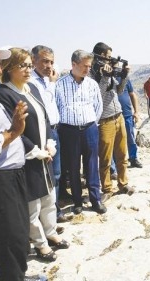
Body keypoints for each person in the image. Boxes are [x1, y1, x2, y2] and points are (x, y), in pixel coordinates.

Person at [0, 35, 46, 281]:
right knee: (5, 241)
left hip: (11, 178)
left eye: (0, 63)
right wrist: (12, 133)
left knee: (16, 237)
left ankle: (17, 276)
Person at [0, 48, 70, 263]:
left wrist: (49, 144)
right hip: (26, 158)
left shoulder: (32, 88)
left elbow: (44, 118)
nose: (28, 70)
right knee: (32, 204)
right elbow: (12, 129)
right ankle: (40, 245)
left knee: (48, 198)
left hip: (44, 153)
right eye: (23, 65)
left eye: (29, 65)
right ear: (9, 68)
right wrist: (36, 151)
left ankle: (51, 232)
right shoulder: (4, 93)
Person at [55, 49, 106, 214]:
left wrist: (90, 123)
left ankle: (95, 200)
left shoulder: (91, 84)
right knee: (73, 166)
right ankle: (77, 201)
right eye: (84, 66)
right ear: (73, 64)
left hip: (90, 129)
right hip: (69, 131)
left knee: (92, 165)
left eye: (89, 66)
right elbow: (56, 107)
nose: (87, 69)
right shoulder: (60, 84)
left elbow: (98, 106)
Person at [30, 45, 73, 224]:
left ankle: (53, 213)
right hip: (42, 133)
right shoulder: (31, 82)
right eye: (45, 61)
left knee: (56, 174)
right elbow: (43, 103)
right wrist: (53, 83)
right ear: (33, 61)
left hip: (55, 130)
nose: (49, 66)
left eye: (52, 62)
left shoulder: (48, 80)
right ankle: (47, 216)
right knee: (46, 175)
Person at [90, 42, 134, 202]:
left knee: (122, 154)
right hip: (105, 120)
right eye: (108, 57)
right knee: (105, 158)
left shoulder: (108, 71)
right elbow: (98, 97)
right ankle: (107, 188)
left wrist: (123, 76)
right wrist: (104, 78)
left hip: (118, 116)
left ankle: (123, 183)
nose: (110, 60)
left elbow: (119, 90)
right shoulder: (93, 73)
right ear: (100, 56)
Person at [118, 78, 143, 168]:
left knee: (131, 138)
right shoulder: (108, 78)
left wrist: (136, 112)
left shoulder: (125, 79)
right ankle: (114, 167)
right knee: (114, 141)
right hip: (113, 116)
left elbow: (132, 95)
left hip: (127, 114)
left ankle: (133, 158)